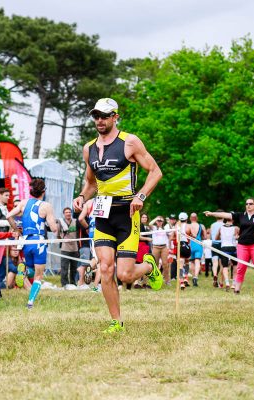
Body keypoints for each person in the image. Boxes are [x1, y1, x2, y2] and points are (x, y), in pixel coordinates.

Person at [73, 97, 163, 333]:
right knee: (105, 269)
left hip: (127, 213)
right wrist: (82, 197)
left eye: (104, 116)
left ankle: (149, 267)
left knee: (125, 274)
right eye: (96, 116)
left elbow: (155, 172)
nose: (99, 121)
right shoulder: (89, 148)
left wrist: (140, 196)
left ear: (115, 117)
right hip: (102, 215)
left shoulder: (130, 142)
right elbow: (91, 183)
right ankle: (116, 322)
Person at [6, 178, 58, 309]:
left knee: (30, 267)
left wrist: (16, 229)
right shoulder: (46, 206)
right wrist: (53, 221)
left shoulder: (24, 203)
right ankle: (30, 302)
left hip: (26, 241)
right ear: (43, 191)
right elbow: (54, 229)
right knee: (39, 275)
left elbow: (8, 216)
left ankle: (22, 268)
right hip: (39, 241)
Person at [204, 198, 254, 294]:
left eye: (250, 204)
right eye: (246, 204)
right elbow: (225, 214)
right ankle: (237, 289)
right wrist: (212, 213)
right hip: (242, 245)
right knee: (240, 267)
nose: (248, 205)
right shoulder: (241, 215)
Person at [57, 207, 79, 288]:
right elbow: (57, 234)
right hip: (65, 248)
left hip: (75, 248)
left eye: (69, 212)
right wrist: (62, 240)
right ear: (64, 214)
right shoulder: (61, 222)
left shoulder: (75, 221)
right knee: (64, 268)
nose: (68, 213)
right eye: (66, 212)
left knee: (74, 268)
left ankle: (73, 283)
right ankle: (64, 284)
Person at [216, 217, 239, 291]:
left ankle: (227, 282)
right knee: (235, 265)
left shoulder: (221, 228)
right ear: (233, 220)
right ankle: (234, 284)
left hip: (224, 248)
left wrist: (222, 236)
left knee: (225, 266)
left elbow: (216, 238)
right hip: (233, 248)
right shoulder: (236, 228)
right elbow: (237, 237)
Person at [149, 216, 170, 285]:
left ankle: (167, 280)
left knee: (165, 264)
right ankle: (155, 280)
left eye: (161, 221)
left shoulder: (165, 228)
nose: (159, 222)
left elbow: (172, 230)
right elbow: (150, 224)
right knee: (155, 264)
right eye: (158, 221)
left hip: (164, 247)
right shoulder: (154, 228)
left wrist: (168, 222)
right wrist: (156, 218)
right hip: (155, 247)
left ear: (163, 222)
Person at [188, 212, 207, 287]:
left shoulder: (188, 226)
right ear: (197, 218)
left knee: (192, 262)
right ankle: (196, 277)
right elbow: (205, 237)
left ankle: (193, 276)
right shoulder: (201, 226)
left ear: (190, 218)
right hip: (198, 244)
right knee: (197, 261)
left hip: (190, 245)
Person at [210, 211, 224, 287]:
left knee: (214, 262)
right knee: (222, 264)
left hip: (214, 244)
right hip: (222, 244)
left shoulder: (212, 225)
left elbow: (211, 237)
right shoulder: (224, 225)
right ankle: (220, 280)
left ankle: (215, 275)